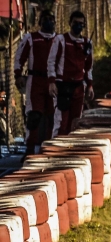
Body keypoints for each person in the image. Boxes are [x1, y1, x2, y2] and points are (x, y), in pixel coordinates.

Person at [15, 10, 59, 154]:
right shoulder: (31, 38)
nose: (48, 22)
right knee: (34, 116)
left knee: (52, 117)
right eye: (45, 19)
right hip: (35, 81)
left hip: (54, 81)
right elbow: (20, 56)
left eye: (51, 19)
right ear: (40, 22)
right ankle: (29, 149)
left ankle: (48, 149)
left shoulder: (59, 40)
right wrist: (18, 75)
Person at [51, 11, 94, 136]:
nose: (78, 26)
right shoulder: (61, 40)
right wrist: (51, 82)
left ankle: (72, 146)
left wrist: (90, 85)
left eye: (81, 23)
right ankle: (56, 145)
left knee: (76, 123)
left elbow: (89, 67)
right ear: (70, 23)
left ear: (84, 25)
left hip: (78, 88)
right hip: (62, 86)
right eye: (75, 23)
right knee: (61, 123)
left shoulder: (87, 43)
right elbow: (51, 61)